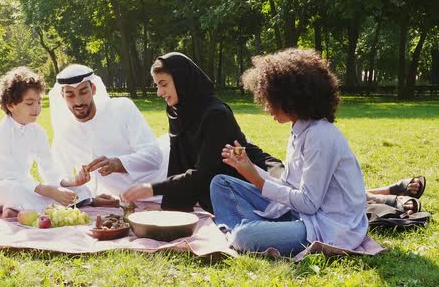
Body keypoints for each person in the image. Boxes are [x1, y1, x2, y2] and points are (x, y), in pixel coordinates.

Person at [210, 48, 368, 256]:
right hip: (298, 213)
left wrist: (257, 180)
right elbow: (288, 186)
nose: (266, 108)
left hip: (326, 226)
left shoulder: (320, 136)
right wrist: (250, 168)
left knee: (244, 237)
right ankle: (261, 230)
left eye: (270, 99)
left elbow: (309, 204)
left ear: (290, 97)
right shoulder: (300, 128)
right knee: (220, 183)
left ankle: (249, 232)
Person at [121, 52, 283, 213]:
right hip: (215, 184)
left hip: (251, 180)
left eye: (164, 84)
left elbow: (205, 171)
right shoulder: (177, 112)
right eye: (157, 85)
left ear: (182, 80)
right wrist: (173, 208)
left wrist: (152, 189)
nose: (159, 92)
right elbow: (179, 160)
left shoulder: (216, 114)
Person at [0, 67, 86, 218]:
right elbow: (10, 175)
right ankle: (15, 206)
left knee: (80, 191)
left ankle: (15, 209)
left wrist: (70, 182)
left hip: (25, 186)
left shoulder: (38, 132)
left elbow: (48, 168)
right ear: (11, 105)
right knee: (13, 191)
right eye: (30, 103)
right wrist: (48, 191)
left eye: (39, 102)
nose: (37, 108)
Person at [49, 64, 167, 206]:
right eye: (70, 95)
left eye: (83, 92)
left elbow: (154, 157)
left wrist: (117, 163)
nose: (78, 101)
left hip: (160, 185)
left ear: (93, 89)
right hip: (121, 200)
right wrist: (77, 183)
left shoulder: (121, 108)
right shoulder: (65, 132)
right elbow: (57, 178)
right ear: (62, 95)